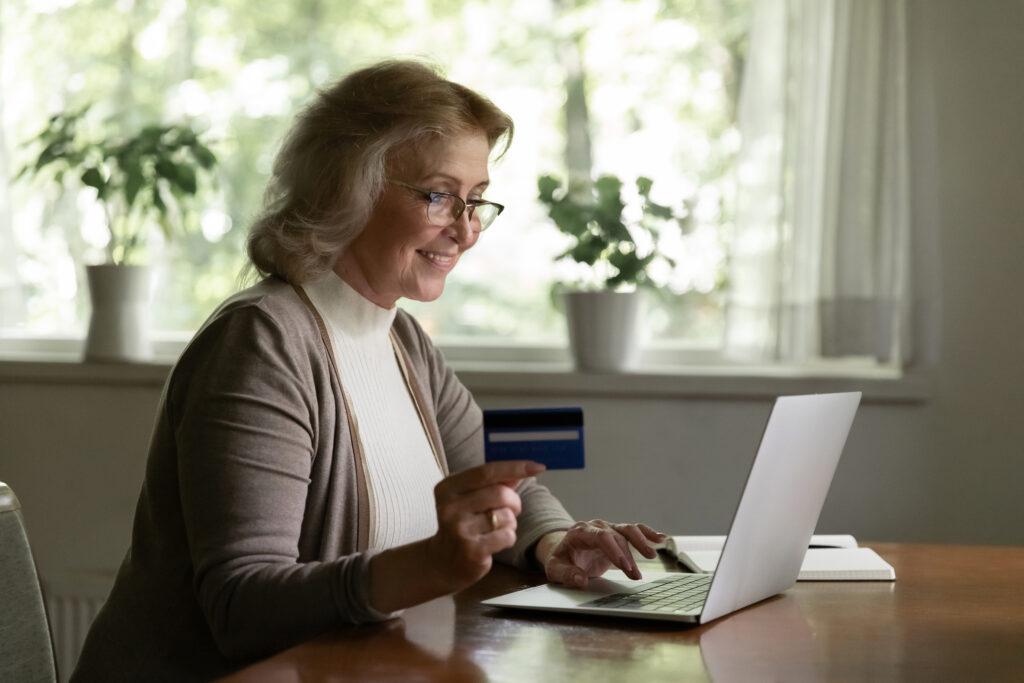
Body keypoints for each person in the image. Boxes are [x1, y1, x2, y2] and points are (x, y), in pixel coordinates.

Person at [72, 60, 666, 681]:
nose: (465, 231)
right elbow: (241, 608)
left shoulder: (403, 341)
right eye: (439, 195)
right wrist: (433, 564)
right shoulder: (261, 341)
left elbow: (505, 482)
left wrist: (555, 544)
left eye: (477, 201)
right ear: (345, 187)